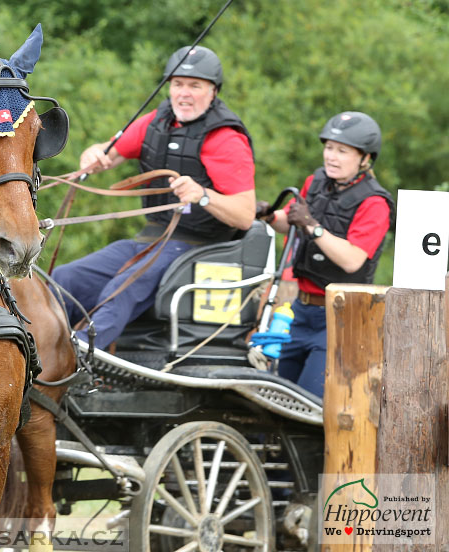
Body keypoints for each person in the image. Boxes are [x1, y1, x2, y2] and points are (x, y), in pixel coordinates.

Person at [52, 46, 256, 350]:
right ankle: (39, 347)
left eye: (194, 86)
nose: (184, 94)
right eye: (177, 84)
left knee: (122, 288)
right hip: (150, 240)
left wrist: (202, 195)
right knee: (64, 279)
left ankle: (80, 353)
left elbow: (245, 215)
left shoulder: (225, 139)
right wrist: (94, 153)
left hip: (197, 246)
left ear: (213, 91)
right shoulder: (156, 121)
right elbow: (109, 154)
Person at [258, 111, 394, 398]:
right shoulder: (316, 181)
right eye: (329, 147)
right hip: (300, 310)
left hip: (341, 317)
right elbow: (291, 220)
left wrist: (312, 225)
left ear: (365, 158)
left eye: (342, 151)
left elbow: (352, 259)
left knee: (308, 404)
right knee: (275, 395)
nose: (331, 156)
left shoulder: (375, 202)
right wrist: (271, 216)